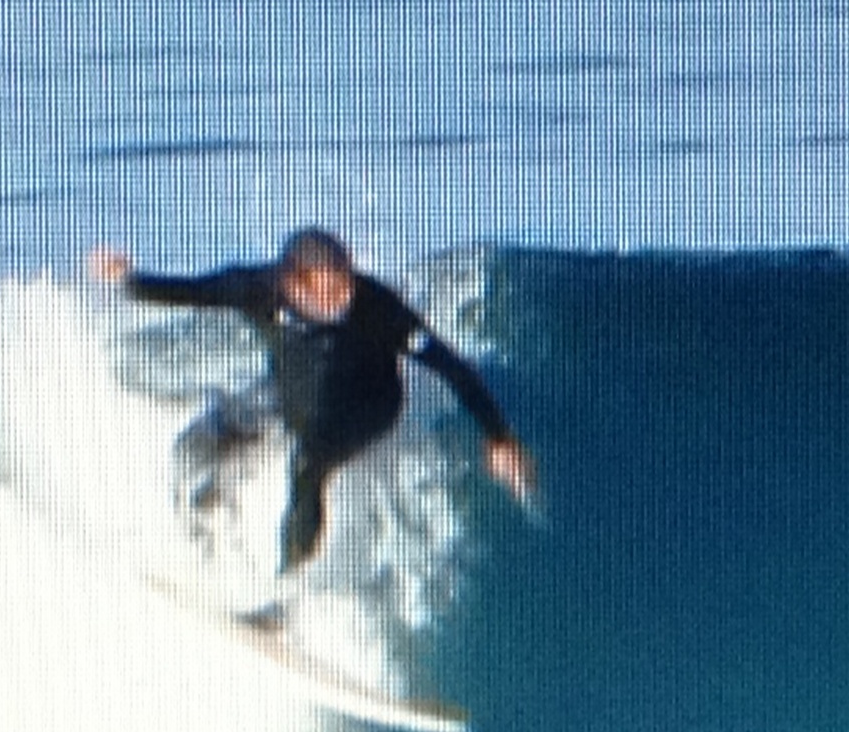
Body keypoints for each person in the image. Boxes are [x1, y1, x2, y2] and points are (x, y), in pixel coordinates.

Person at [90, 228, 534, 574]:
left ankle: (291, 584)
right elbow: (189, 291)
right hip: (293, 393)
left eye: (342, 286)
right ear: (291, 282)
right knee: (201, 440)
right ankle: (199, 532)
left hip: (367, 406)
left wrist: (499, 435)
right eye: (323, 290)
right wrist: (128, 280)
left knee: (309, 461)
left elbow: (452, 366)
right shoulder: (257, 288)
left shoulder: (377, 307)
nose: (337, 298)